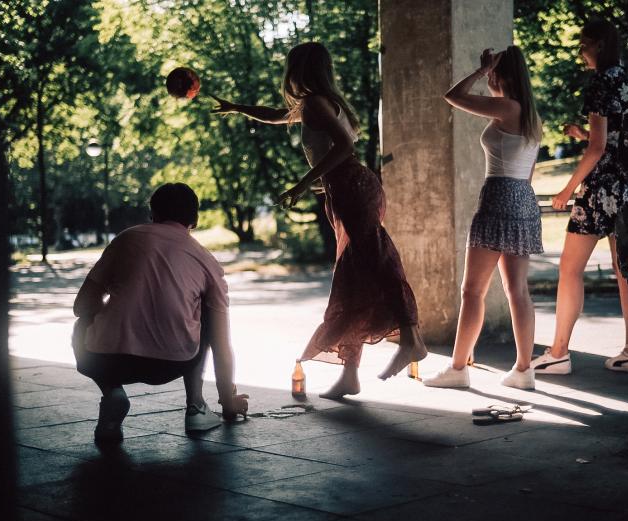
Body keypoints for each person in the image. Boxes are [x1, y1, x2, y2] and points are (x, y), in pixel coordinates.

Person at [174, 42, 426, 399]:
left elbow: (343, 148)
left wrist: (303, 183)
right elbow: (277, 115)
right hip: (347, 191)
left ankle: (411, 336)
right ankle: (350, 373)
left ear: (298, 70)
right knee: (353, 279)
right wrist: (237, 108)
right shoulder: (318, 104)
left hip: (353, 187)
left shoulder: (315, 104)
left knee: (376, 260)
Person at [72, 183, 249, 442]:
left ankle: (112, 392)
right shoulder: (207, 262)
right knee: (207, 316)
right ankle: (196, 407)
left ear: (152, 214)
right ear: (195, 219)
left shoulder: (126, 238)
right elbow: (221, 344)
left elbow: (82, 306)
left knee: (82, 324)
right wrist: (229, 402)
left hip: (105, 359)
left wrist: (114, 314)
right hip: (172, 363)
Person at [422, 46, 543, 391]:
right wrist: (491, 76)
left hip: (498, 198)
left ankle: (458, 369)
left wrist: (479, 71)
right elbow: (528, 171)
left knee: (472, 290)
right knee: (517, 290)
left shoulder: (507, 109)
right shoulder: (528, 114)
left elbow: (453, 96)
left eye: (494, 72)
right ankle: (523, 370)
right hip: (522, 198)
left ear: (500, 72)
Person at [531, 18, 628, 375]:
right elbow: (617, 139)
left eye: (582, 46)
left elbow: (597, 150)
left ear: (597, 44)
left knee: (569, 268)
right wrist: (583, 134)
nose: (581, 53)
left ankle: (560, 351)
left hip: (600, 190)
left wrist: (567, 190)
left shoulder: (599, 83)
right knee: (625, 270)